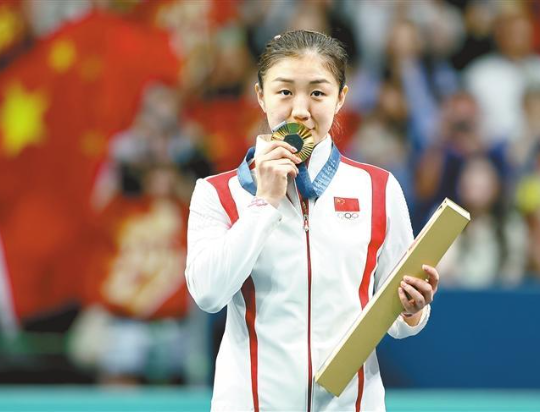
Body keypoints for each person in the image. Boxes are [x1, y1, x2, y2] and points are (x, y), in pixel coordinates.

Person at [184, 30, 439, 411]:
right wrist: (265, 203)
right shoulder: (217, 193)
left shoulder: (379, 189)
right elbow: (207, 293)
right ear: (260, 96)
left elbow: (397, 321)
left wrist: (412, 307)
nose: (300, 109)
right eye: (284, 92)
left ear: (341, 99)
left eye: (318, 93)